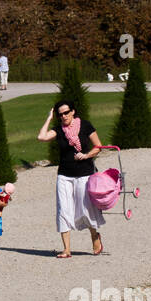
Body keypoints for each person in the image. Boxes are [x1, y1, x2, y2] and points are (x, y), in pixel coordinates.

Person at [37, 100, 104, 258]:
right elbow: (41, 137)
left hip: (84, 173)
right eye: (60, 114)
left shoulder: (86, 125)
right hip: (64, 175)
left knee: (86, 208)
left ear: (73, 111)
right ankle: (66, 249)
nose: (64, 116)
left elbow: (98, 146)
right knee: (63, 210)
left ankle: (95, 237)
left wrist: (86, 155)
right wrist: (49, 118)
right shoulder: (59, 130)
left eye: (66, 112)